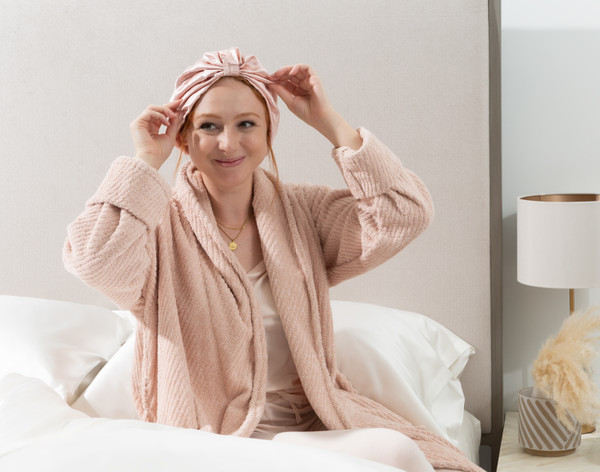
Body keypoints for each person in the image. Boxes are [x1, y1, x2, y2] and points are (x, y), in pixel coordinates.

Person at [63, 47, 482, 472]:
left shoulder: (304, 215)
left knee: (399, 452)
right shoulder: (156, 231)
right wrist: (146, 161)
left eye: (247, 124)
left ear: (268, 134)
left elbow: (404, 213)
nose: (229, 143)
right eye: (209, 126)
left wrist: (329, 122)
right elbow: (95, 259)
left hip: (317, 429)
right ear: (184, 138)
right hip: (217, 440)